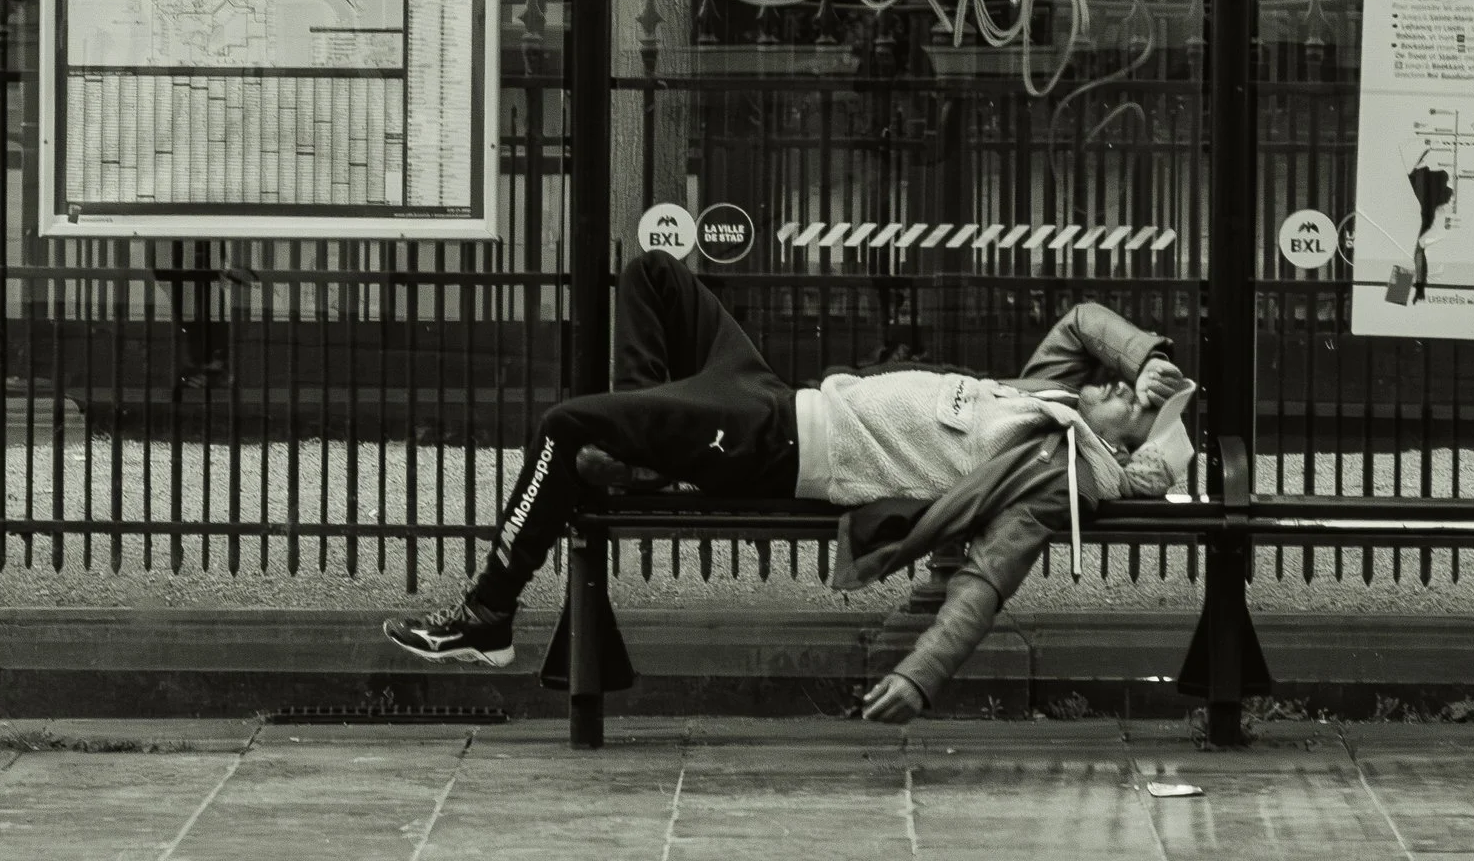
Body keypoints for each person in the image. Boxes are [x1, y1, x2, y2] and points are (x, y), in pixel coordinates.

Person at [384, 251, 1197, 721]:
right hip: (776, 395)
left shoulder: (1056, 472)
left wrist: (921, 676)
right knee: (653, 274)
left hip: (772, 444)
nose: (1126, 393)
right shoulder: (1045, 395)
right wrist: (1143, 354)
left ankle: (488, 613)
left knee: (565, 424)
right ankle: (640, 445)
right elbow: (1084, 320)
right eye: (1128, 387)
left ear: (1122, 453)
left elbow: (987, 577)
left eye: (1135, 409)